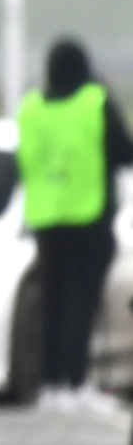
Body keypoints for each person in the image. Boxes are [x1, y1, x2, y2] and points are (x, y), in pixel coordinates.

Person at [15, 38, 133, 412]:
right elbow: (123, 152)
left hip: (48, 218)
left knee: (53, 301)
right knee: (81, 305)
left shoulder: (32, 107)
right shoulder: (94, 102)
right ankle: (76, 381)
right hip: (88, 217)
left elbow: (25, 158)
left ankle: (50, 385)